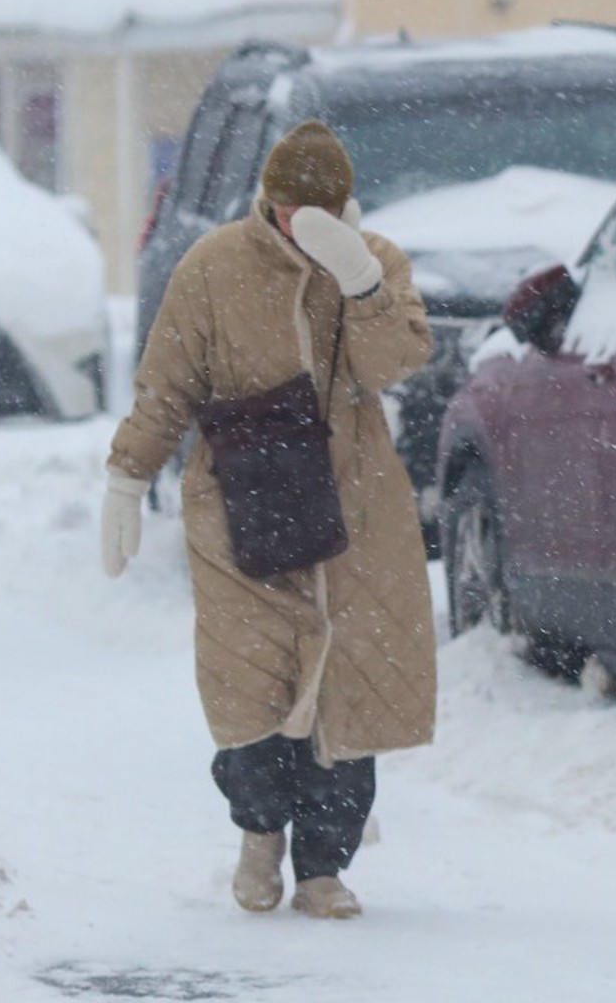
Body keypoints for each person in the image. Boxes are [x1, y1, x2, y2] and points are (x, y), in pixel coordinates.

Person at [100, 120, 437, 919]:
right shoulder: (214, 266)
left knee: (344, 701)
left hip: (354, 513)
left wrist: (363, 288)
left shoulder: (377, 262)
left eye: (316, 213)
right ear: (269, 202)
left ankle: (323, 868)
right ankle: (259, 832)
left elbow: (393, 366)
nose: (298, 227)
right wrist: (127, 473)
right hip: (239, 508)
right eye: (288, 211)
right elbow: (168, 383)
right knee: (249, 693)